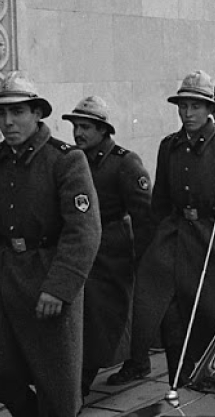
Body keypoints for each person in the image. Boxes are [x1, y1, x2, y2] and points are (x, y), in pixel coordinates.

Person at [109, 70, 215, 388]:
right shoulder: (169, 146)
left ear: (209, 109)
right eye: (183, 106)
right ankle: (177, 382)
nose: (188, 113)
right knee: (167, 316)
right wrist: (153, 247)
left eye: (195, 106)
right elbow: (159, 203)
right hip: (175, 240)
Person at [0, 73, 101, 417]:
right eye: (1, 114)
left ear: (37, 113)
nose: (8, 122)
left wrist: (59, 287)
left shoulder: (65, 159)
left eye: (17, 112)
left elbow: (84, 230)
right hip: (6, 278)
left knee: (56, 383)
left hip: (49, 278)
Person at [61, 96, 155, 399]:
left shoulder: (124, 162)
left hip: (113, 248)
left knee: (107, 313)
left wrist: (144, 258)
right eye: (76, 126)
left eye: (85, 127)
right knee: (90, 314)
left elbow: (144, 214)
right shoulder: (73, 159)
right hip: (82, 246)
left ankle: (87, 379)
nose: (78, 133)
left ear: (103, 130)